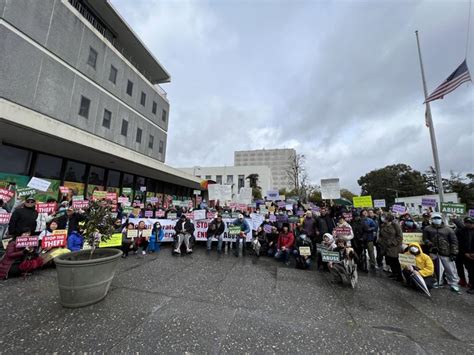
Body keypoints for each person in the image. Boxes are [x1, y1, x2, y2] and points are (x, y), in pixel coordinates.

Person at [423, 212, 460, 293]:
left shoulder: (448, 229)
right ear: (432, 219)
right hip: (433, 252)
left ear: (441, 219)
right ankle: (438, 282)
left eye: (438, 218)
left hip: (446, 253)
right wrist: (430, 244)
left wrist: (454, 253)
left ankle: (453, 284)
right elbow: (425, 239)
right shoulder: (427, 229)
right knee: (435, 269)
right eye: (435, 218)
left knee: (450, 269)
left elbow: (454, 242)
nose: (437, 220)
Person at [452, 216, 474, 294]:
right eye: (466, 223)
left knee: (471, 270)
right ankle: (463, 280)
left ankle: (471, 284)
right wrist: (465, 253)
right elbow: (459, 242)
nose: (468, 225)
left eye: (470, 223)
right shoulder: (462, 230)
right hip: (462, 252)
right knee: (459, 267)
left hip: (471, 255)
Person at [378, 213, 403, 282]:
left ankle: (399, 276)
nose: (382, 218)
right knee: (390, 260)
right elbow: (380, 235)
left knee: (395, 261)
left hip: (394, 246)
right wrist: (380, 241)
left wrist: (393, 243)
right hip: (385, 246)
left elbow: (400, 236)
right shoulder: (383, 225)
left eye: (384, 217)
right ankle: (394, 273)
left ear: (388, 218)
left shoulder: (395, 225)